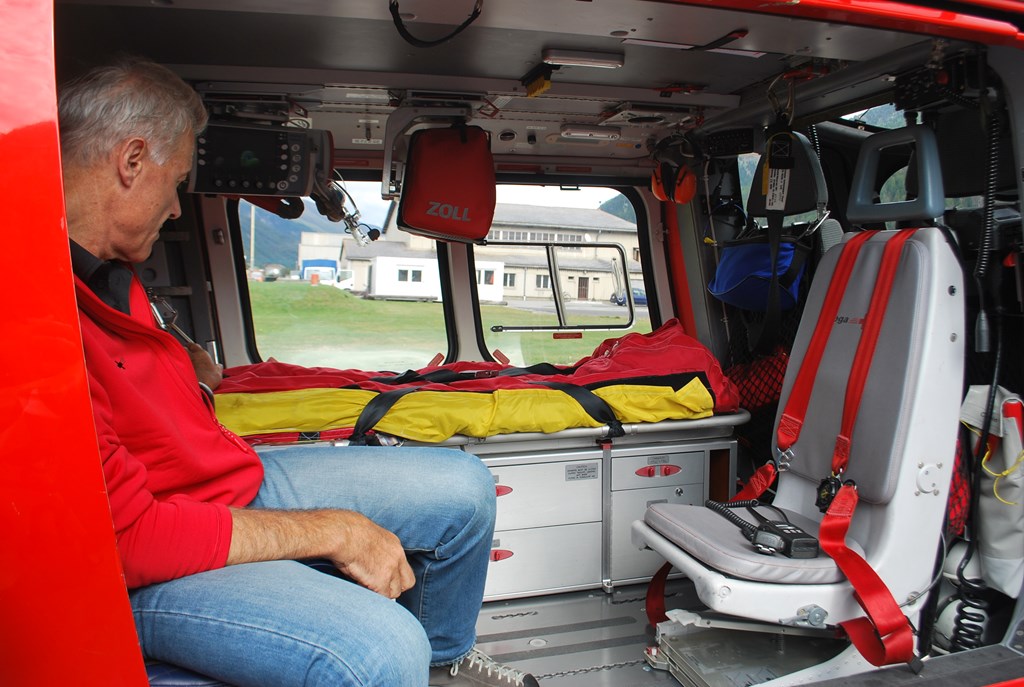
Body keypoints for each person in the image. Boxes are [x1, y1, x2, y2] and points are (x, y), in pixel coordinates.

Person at [59, 57, 539, 687]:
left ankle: (441, 664)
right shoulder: (35, 315)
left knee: (465, 489)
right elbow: (124, 538)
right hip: (145, 565)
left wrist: (194, 374)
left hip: (222, 483)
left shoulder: (109, 273)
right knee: (381, 650)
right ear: (131, 160)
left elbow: (171, 376)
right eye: (174, 182)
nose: (176, 209)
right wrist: (332, 531)